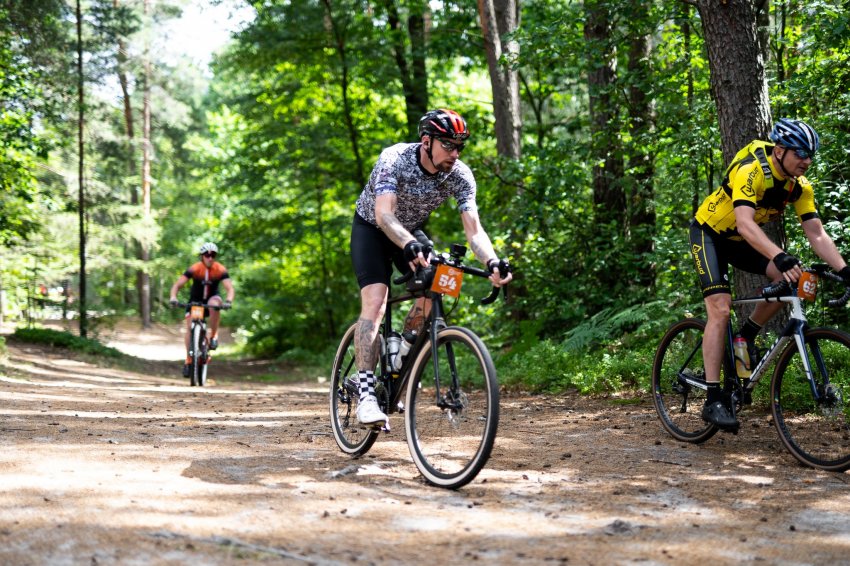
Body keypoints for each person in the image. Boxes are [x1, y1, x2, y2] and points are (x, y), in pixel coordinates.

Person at [349, 108, 512, 429]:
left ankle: (402, 355)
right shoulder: (394, 159)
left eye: (460, 147)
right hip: (373, 228)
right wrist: (408, 243)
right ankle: (366, 394)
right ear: (427, 141)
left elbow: (475, 231)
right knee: (377, 300)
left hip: (410, 232)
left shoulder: (460, 175)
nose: (455, 153)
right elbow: (384, 214)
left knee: (441, 281)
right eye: (449, 145)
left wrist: (492, 261)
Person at [689, 118, 850, 431]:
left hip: (741, 242)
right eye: (800, 153)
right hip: (710, 235)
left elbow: (816, 234)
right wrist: (779, 254)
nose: (806, 161)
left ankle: (745, 337)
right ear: (779, 151)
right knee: (720, 309)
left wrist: (844, 269)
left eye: (809, 155)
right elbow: (746, 223)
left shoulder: (799, 187)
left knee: (796, 281)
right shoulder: (751, 170)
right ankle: (713, 398)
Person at [169, 242, 235, 377]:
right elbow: (177, 285)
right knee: (189, 328)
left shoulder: (220, 269)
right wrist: (173, 297)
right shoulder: (195, 268)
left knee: (215, 303)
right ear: (202, 256)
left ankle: (214, 335)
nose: (210, 258)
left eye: (213, 255)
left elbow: (229, 288)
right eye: (207, 255)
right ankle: (188, 360)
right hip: (195, 303)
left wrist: (228, 301)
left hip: (211, 301)